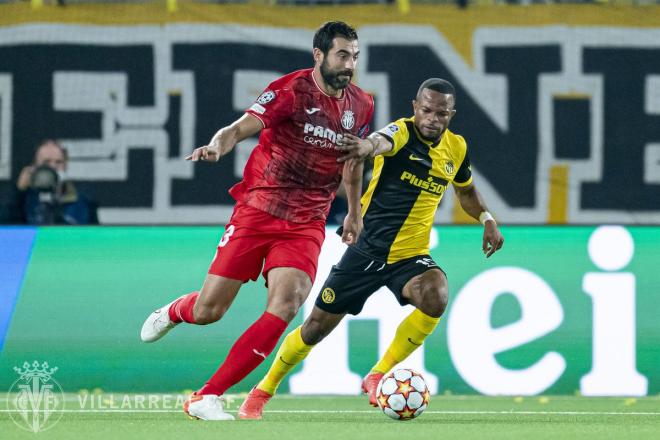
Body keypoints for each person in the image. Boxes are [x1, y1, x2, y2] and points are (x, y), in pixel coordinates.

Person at [139, 21, 374, 421]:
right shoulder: (290, 90)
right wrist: (217, 145)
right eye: (341, 55)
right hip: (259, 209)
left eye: (354, 55)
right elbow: (239, 128)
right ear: (318, 55)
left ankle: (206, 396)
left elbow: (352, 162)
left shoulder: (361, 104)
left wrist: (354, 212)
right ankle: (178, 310)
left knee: (288, 301)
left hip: (307, 220)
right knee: (210, 310)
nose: (349, 63)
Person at [237, 78, 504, 420]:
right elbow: (379, 142)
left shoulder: (456, 148)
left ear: (451, 114)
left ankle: (378, 374)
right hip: (367, 251)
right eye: (425, 110)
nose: (431, 119)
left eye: (440, 113)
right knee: (315, 328)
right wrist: (363, 151)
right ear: (414, 107)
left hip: (409, 256)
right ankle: (262, 392)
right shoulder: (402, 133)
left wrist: (485, 217)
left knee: (435, 293)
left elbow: (465, 191)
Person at [2, 139, 98, 225]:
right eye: (46, 162)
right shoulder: (23, 200)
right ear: (35, 166)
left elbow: (95, 238)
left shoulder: (82, 202)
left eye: (58, 162)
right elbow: (6, 231)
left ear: (66, 165)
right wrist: (19, 192)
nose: (53, 167)